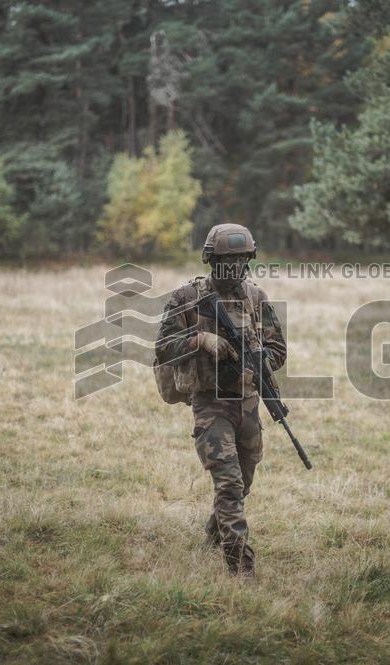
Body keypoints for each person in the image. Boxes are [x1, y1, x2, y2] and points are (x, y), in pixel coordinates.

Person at [154, 223, 287, 577]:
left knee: (242, 482)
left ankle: (215, 529)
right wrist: (202, 341)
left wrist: (258, 360)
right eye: (226, 260)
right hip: (210, 404)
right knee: (227, 483)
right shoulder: (186, 298)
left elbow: (278, 348)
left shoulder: (257, 298)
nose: (233, 267)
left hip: (246, 402)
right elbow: (162, 347)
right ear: (211, 260)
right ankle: (239, 564)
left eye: (240, 260)